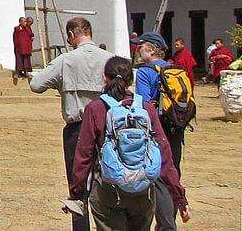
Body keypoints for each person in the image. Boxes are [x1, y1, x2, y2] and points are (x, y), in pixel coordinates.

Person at [69, 56, 188, 229]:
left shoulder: (95, 108)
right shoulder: (146, 108)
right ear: (131, 80)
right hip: (143, 191)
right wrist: (179, 197)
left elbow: (84, 155)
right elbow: (164, 154)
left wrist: (77, 194)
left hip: (108, 190)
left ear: (104, 77)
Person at [29, 16, 114, 231]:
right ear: (91, 33)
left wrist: (60, 82)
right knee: (111, 181)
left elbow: (36, 84)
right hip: (109, 128)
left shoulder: (66, 60)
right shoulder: (110, 59)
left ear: (70, 36)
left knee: (78, 186)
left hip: (78, 129)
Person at [134, 32, 191, 231]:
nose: (137, 49)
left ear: (150, 49)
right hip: (177, 128)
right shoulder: (175, 69)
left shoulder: (144, 71)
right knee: (174, 173)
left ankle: (166, 226)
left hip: (158, 131)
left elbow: (144, 104)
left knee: (160, 179)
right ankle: (170, 220)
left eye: (140, 46)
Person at [12, 16, 35, 83]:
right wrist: (17, 46)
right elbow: (16, 38)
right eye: (24, 21)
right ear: (20, 22)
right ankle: (17, 73)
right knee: (19, 61)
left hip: (26, 48)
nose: (26, 23)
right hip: (19, 48)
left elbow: (30, 35)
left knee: (26, 61)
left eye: (26, 21)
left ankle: (26, 73)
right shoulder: (17, 29)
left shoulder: (27, 28)